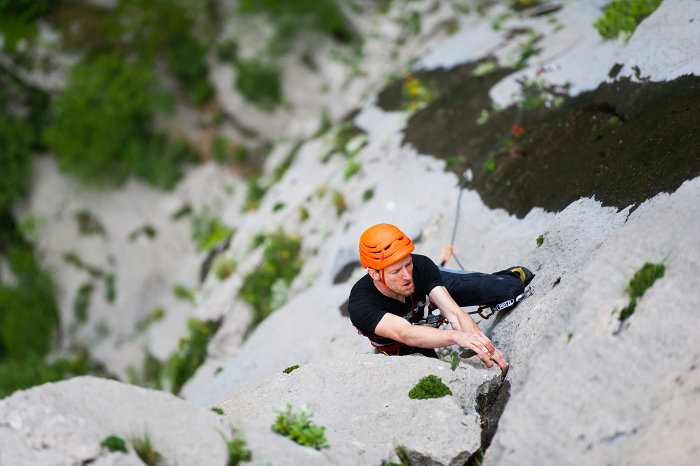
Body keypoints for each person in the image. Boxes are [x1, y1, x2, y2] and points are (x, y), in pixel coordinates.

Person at [348, 223, 533, 377]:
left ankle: (503, 277)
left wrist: (486, 350)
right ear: (374, 274)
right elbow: (406, 334)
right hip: (401, 345)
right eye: (396, 271)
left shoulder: (420, 268)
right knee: (433, 375)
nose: (407, 276)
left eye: (407, 264)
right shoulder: (361, 305)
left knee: (510, 289)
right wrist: (457, 337)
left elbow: (453, 313)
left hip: (427, 292)